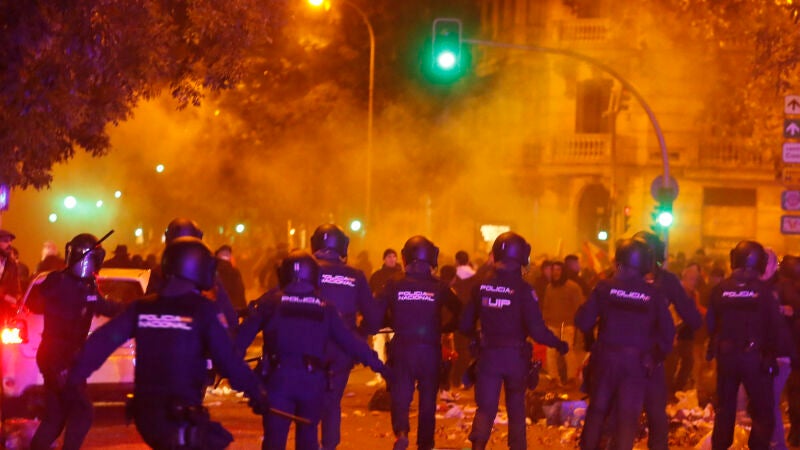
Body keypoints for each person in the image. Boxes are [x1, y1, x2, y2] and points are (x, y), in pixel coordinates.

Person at [65, 236, 268, 449]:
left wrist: (75, 375)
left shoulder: (143, 308)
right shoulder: (202, 310)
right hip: (180, 418)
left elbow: (102, 341)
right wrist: (257, 392)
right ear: (194, 267)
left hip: (147, 416)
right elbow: (229, 361)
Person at [235, 250, 388, 450]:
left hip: (278, 382)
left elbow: (239, 342)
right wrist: (381, 367)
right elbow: (351, 342)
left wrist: (244, 382)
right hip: (312, 384)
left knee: (274, 441)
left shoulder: (270, 303)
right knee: (308, 441)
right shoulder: (326, 307)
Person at [460, 232, 569, 450]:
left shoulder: (481, 286)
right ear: (521, 257)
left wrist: (477, 339)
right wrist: (559, 344)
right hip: (515, 358)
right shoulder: (524, 290)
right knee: (516, 410)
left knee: (485, 409)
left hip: (488, 356)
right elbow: (537, 331)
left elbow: (465, 325)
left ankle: (477, 446)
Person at [575, 238, 674, 450]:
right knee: (627, 418)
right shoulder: (653, 294)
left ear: (619, 260)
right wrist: (653, 358)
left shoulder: (604, 287)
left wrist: (591, 343)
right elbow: (668, 332)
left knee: (597, 412)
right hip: (636, 364)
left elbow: (583, 321)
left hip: (605, 360)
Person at [30, 233, 123, 450]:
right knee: (82, 412)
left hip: (55, 357)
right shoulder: (67, 284)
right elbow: (37, 302)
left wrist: (135, 308)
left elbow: (105, 306)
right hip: (61, 359)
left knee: (56, 415)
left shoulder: (73, 284)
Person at [380, 235, 462, 450]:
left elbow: (377, 311)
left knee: (400, 395)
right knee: (427, 401)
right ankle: (425, 444)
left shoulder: (394, 283)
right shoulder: (440, 286)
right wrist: (445, 328)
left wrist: (389, 322)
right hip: (429, 349)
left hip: (403, 347)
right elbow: (460, 312)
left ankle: (401, 432)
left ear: (405, 257)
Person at [310, 224, 383, 450]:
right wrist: (358, 336)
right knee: (332, 402)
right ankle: (329, 446)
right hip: (343, 347)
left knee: (308, 400)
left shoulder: (303, 269)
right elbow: (373, 318)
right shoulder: (355, 275)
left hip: (308, 344)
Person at [706, 240, 781, 450]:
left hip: (726, 358)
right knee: (763, 411)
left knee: (725, 409)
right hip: (755, 358)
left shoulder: (720, 289)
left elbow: (711, 324)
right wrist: (772, 354)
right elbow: (774, 327)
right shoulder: (763, 292)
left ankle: (720, 446)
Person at [633, 230, 703, 450]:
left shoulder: (619, 278)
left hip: (630, 354)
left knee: (625, 413)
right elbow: (692, 317)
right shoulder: (665, 281)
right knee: (654, 413)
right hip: (650, 355)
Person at [541, 261, 584, 385]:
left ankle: (571, 378)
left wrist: (578, 324)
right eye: (554, 270)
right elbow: (546, 306)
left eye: (558, 269)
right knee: (550, 353)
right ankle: (554, 378)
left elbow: (579, 306)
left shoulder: (573, 287)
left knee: (568, 352)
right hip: (552, 325)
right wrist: (544, 322)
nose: (555, 272)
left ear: (563, 271)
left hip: (568, 325)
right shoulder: (549, 288)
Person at [368, 248, 403, 386]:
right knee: (378, 347)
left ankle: (399, 376)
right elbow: (370, 295)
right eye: (389, 256)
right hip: (380, 318)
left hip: (397, 319)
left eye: (394, 256)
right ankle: (379, 376)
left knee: (399, 349)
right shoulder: (376, 276)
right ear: (384, 259)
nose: (392, 259)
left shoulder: (402, 276)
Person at [215, 245, 248, 313]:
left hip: (217, 311)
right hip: (233, 310)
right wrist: (244, 311)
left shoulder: (212, 271)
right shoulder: (233, 272)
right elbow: (239, 292)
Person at [0, 229, 21, 319]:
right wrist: (4, 295)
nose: (9, 244)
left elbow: (16, 288)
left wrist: (16, 298)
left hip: (4, 310)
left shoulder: (12, 265)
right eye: (5, 241)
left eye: (10, 241)